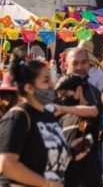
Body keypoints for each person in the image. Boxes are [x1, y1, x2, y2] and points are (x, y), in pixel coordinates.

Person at [0, 54, 69, 187]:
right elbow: (6, 164)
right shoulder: (18, 117)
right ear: (29, 88)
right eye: (45, 81)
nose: (52, 85)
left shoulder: (48, 116)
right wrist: (47, 184)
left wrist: (73, 148)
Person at [65, 47, 103, 186]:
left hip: (91, 172)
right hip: (65, 174)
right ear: (66, 65)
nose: (80, 67)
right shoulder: (56, 94)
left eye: (84, 62)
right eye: (75, 63)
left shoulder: (95, 93)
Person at [54, 74, 96, 187]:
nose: (63, 99)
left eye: (65, 94)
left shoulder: (91, 114)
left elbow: (87, 143)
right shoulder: (63, 119)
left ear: (78, 91)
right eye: (60, 96)